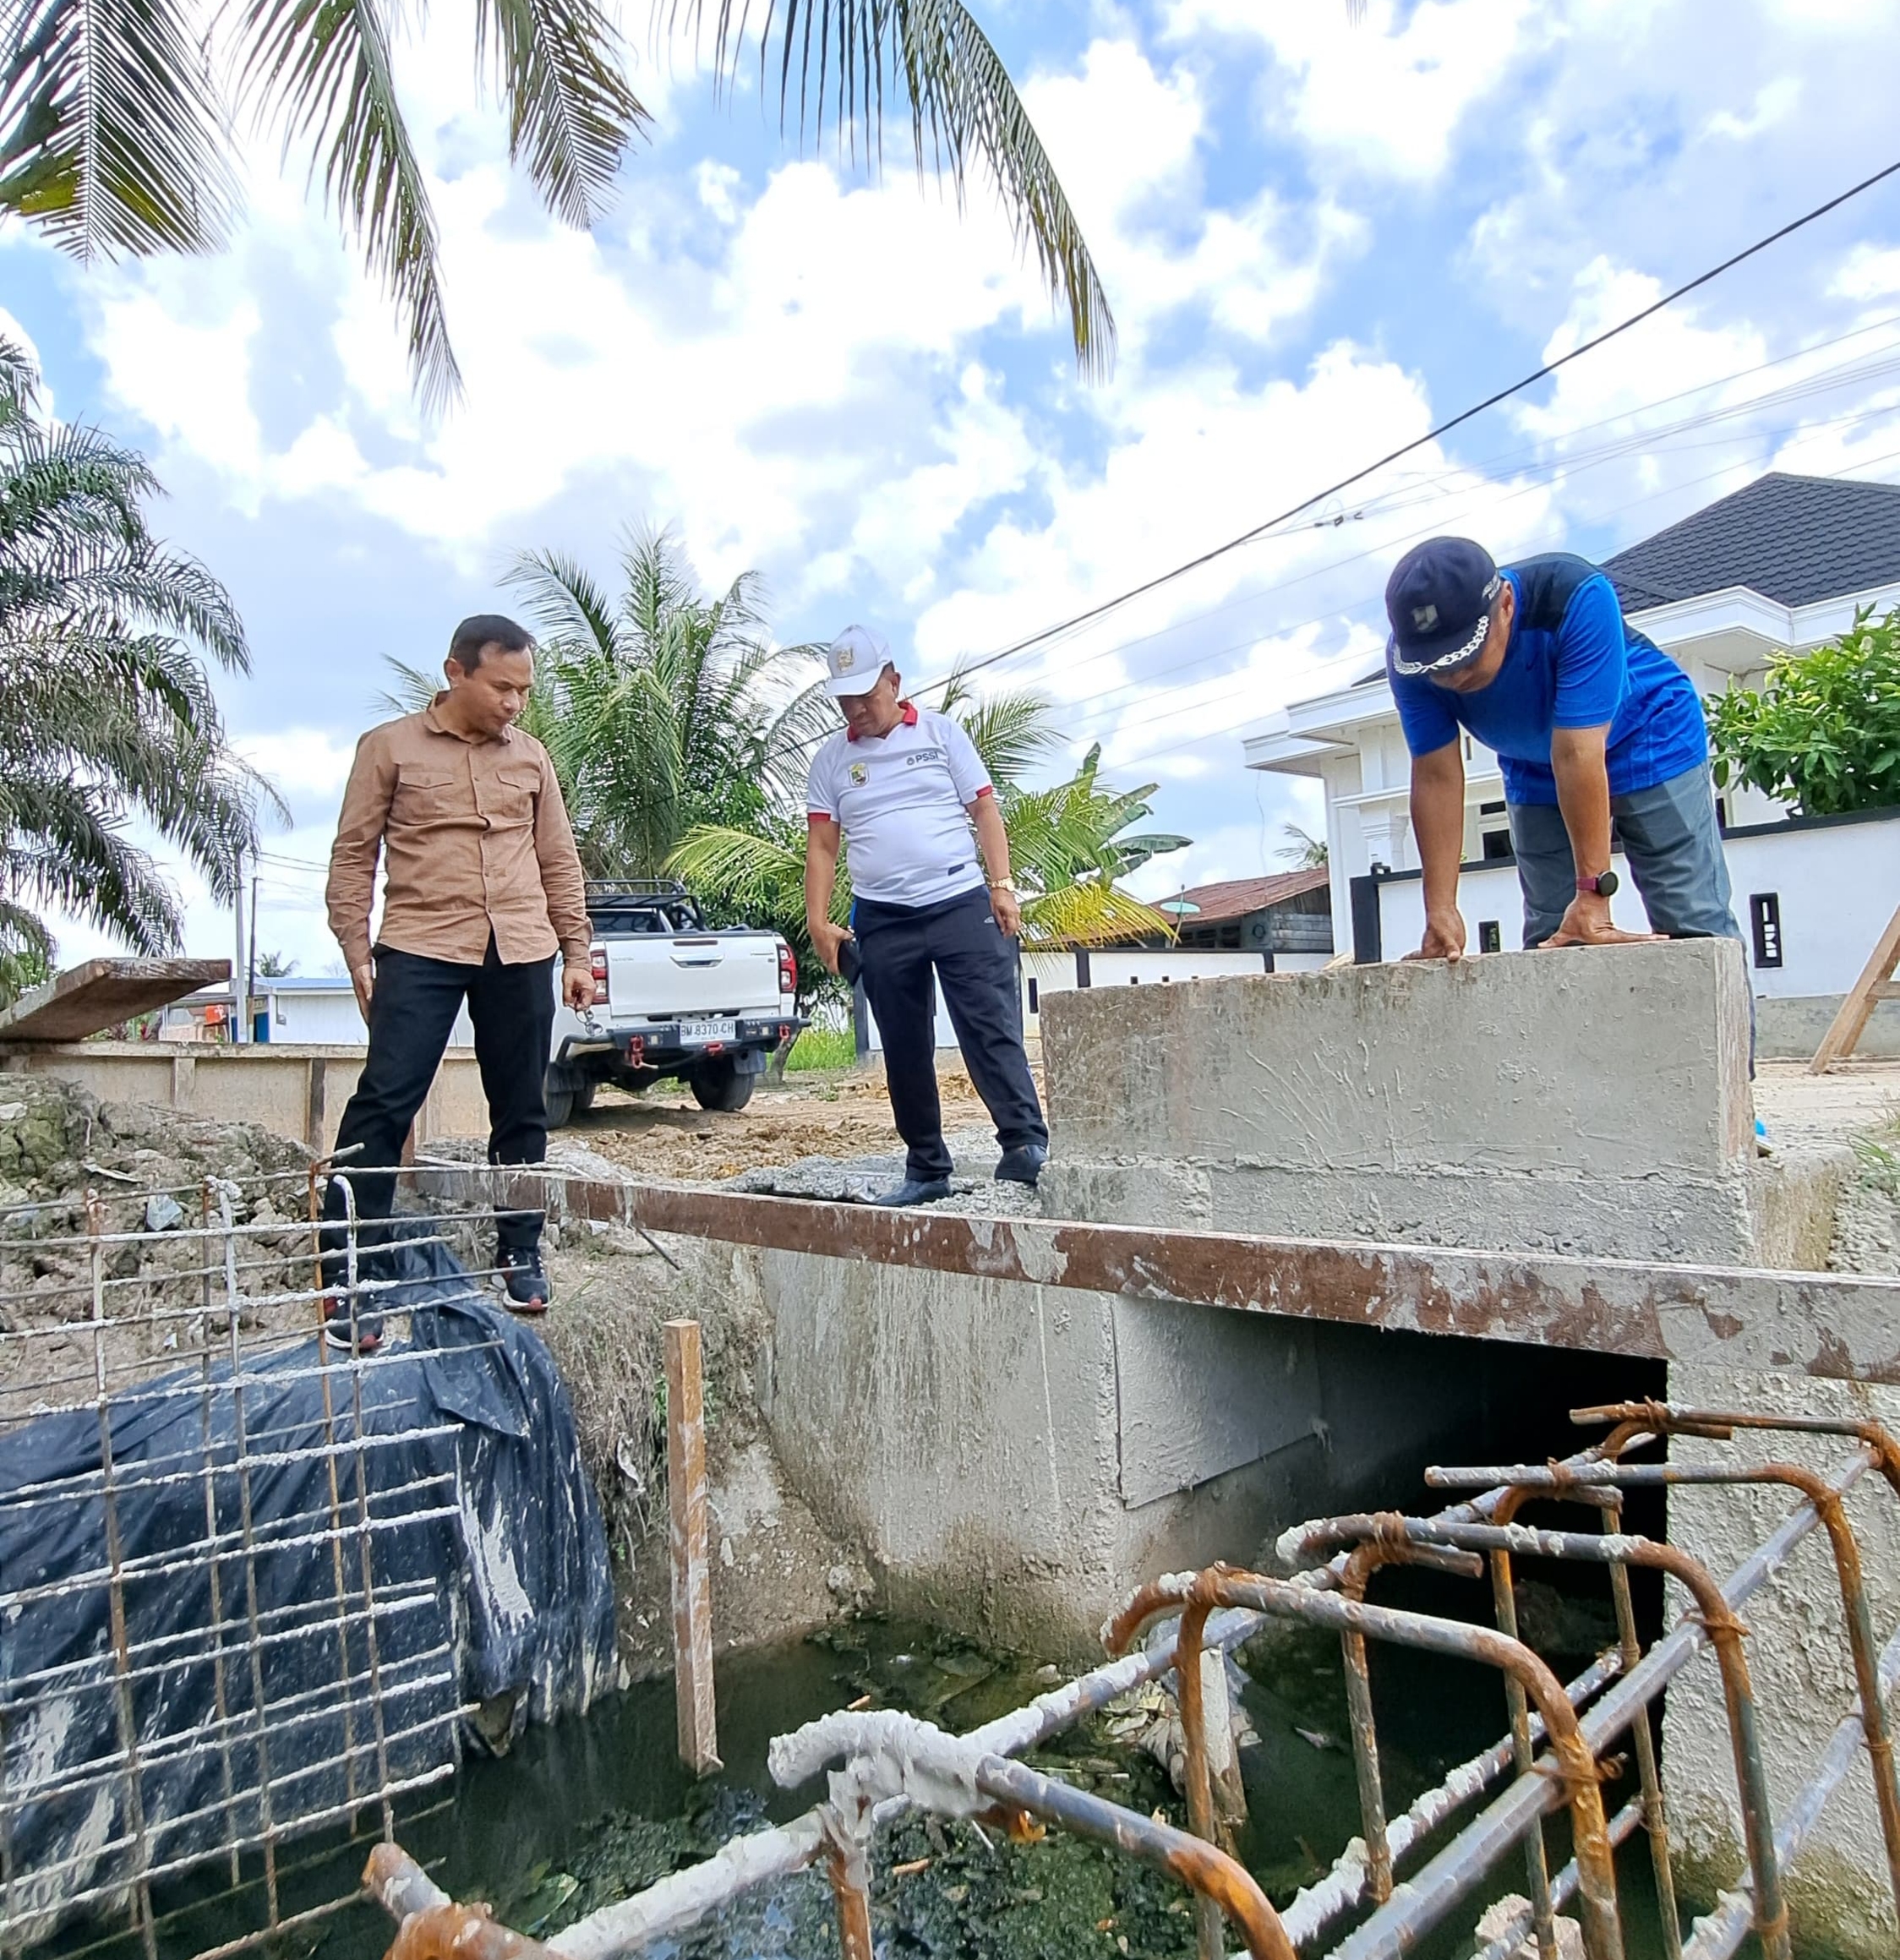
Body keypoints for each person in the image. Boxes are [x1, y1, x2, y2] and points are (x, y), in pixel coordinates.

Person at [321, 614, 593, 1347]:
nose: (515, 703)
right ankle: (353, 1269)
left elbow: (558, 860)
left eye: (524, 691)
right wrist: (355, 951)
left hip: (520, 946)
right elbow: (354, 858)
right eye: (502, 686)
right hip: (420, 944)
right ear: (456, 672)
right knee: (384, 1102)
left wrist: (575, 952)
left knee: (522, 1108)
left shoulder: (532, 758)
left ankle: (520, 1248)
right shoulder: (388, 748)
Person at [1384, 538, 1743, 961]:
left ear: (1505, 604)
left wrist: (1593, 893)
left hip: (1650, 737)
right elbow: (1436, 776)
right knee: (1553, 940)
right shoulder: (1410, 662)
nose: (1452, 676)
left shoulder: (1571, 594)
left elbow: (1577, 753)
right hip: (1534, 765)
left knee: (1691, 927)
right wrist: (1440, 909)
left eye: (1466, 655)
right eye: (1438, 666)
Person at [805, 625, 1049, 1206]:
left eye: (867, 693)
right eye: (846, 698)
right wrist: (818, 921)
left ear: (894, 680)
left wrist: (1003, 885)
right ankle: (926, 1167)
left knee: (988, 1025)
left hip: (959, 900)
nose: (857, 708)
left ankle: (1024, 1146)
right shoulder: (832, 761)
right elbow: (821, 845)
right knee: (904, 1045)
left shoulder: (941, 735)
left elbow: (985, 808)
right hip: (883, 916)